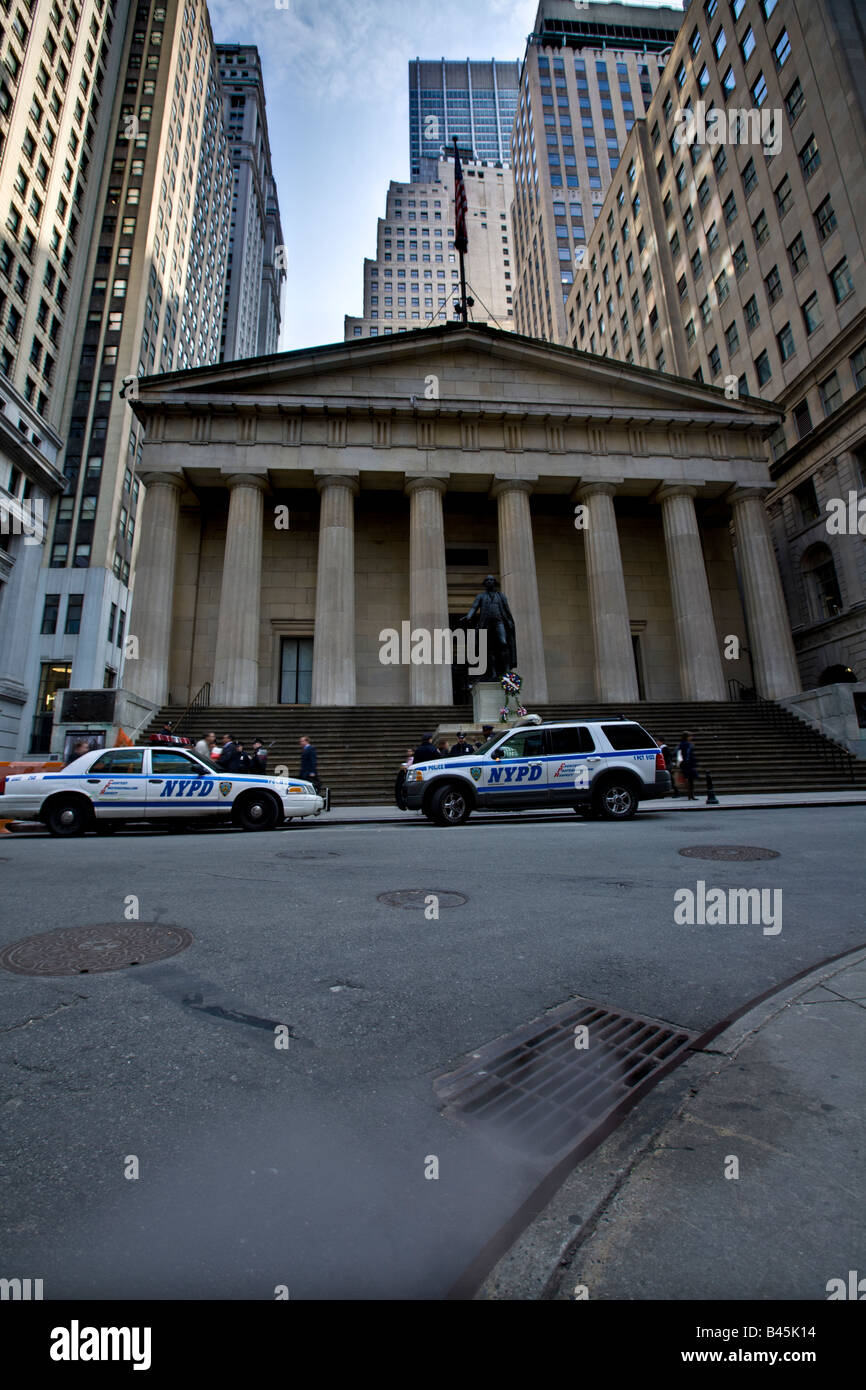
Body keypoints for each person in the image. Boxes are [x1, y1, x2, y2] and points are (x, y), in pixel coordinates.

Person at [677, 731, 699, 800]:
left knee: (688, 779)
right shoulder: (687, 745)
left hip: (685, 764)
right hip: (688, 764)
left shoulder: (682, 744)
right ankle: (691, 794)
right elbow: (688, 755)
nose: (691, 737)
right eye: (690, 736)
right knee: (689, 779)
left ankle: (690, 794)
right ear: (686, 737)